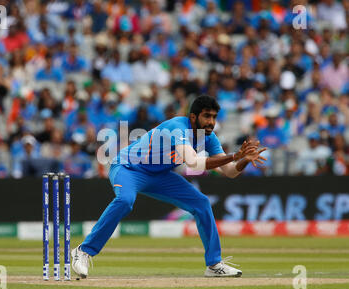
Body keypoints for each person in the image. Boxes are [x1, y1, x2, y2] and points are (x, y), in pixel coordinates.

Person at [71, 95, 267, 278]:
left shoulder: (209, 138)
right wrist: (234, 155)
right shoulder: (177, 127)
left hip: (159, 175)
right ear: (193, 116)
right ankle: (83, 251)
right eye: (207, 116)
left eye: (214, 117)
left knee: (201, 203)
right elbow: (193, 162)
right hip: (128, 167)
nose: (211, 122)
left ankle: (214, 265)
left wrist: (244, 161)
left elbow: (231, 172)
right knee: (125, 200)